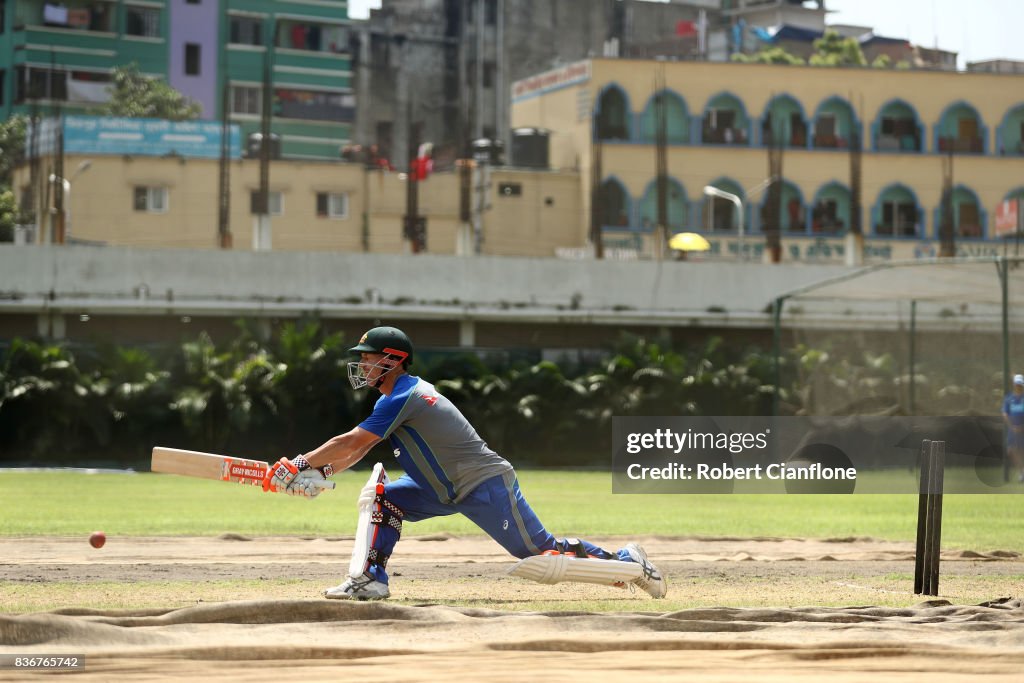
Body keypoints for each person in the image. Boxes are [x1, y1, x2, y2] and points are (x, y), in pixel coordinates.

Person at [266, 325, 667, 600]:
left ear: (392, 360)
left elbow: (351, 440)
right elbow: (359, 450)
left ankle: (630, 564)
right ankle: (371, 580)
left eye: (368, 358)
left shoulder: (406, 395)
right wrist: (318, 473)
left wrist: (299, 462)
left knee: (539, 553)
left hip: (483, 485)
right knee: (382, 498)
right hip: (439, 489)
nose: (362, 365)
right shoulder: (391, 398)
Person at [1002, 374, 1024, 483]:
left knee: (1022, 450)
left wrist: (1021, 427)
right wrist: (1012, 427)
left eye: (1020, 384)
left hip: (1023, 430)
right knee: (1011, 450)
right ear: (1014, 385)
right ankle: (1021, 472)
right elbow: (1005, 413)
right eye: (1017, 384)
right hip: (1013, 430)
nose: (1018, 386)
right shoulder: (1009, 398)